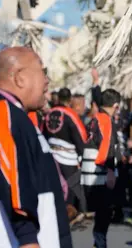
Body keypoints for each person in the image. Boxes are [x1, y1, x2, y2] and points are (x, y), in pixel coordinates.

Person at [0, 47, 72, 248]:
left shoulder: (17, 116)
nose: (47, 81)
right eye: (43, 72)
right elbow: (11, 175)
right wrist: (28, 237)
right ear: (20, 77)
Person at [44, 87, 88, 225]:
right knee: (72, 187)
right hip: (68, 158)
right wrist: (82, 154)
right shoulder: (70, 115)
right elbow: (81, 135)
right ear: (69, 100)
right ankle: (72, 213)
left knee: (55, 186)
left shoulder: (48, 114)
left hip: (51, 156)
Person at [81, 88, 120, 248]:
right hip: (99, 172)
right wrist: (110, 170)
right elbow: (106, 147)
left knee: (100, 211)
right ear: (116, 105)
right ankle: (100, 244)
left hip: (88, 171)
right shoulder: (106, 120)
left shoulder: (93, 118)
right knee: (104, 212)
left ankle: (99, 243)